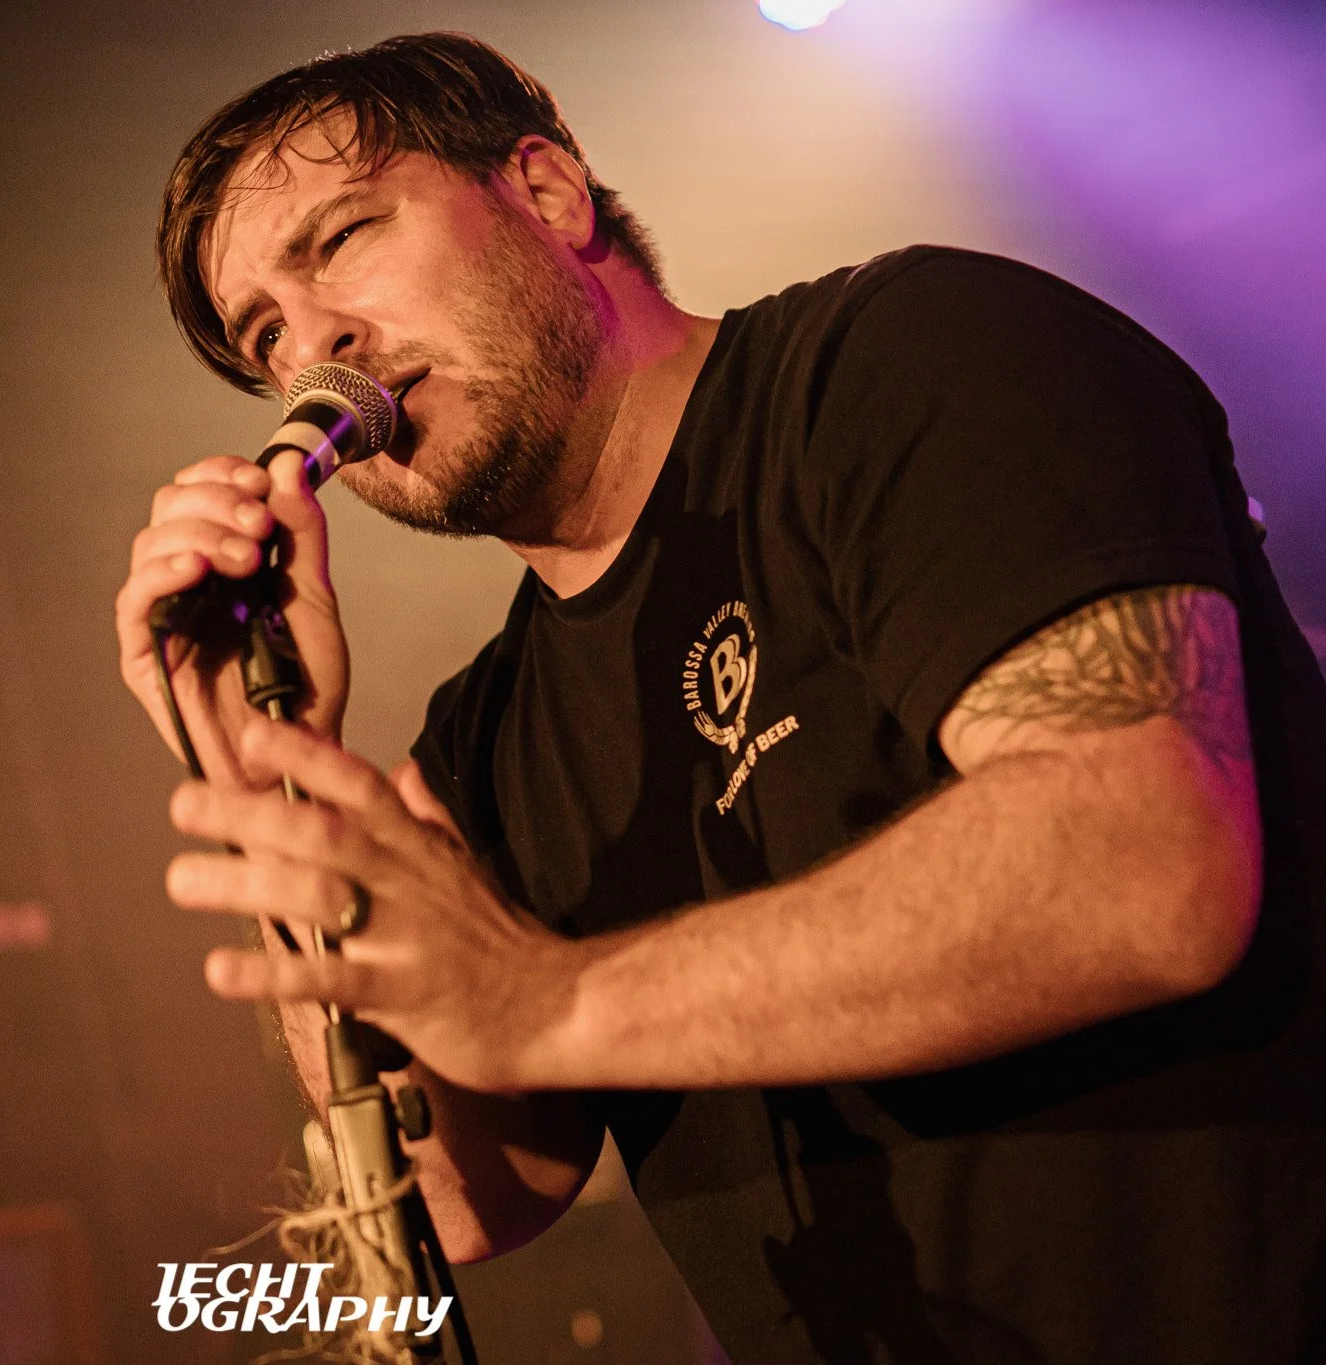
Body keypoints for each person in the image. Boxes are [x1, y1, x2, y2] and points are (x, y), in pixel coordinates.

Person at [115, 32, 1326, 1364]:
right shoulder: (485, 743)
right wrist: (269, 769)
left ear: (546, 192)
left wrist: (546, 1003)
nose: (314, 348)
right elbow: (462, 1202)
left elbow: (1143, 866)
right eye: (265, 335)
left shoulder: (910, 356)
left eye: (343, 237)